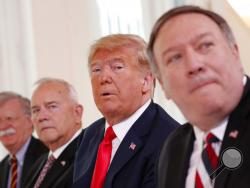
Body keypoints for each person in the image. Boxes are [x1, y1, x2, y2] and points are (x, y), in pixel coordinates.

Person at [147, 5, 250, 188]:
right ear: (162, 84)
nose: (194, 64)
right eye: (175, 57)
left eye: (205, 45)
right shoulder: (172, 148)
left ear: (235, 53)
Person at [73, 34, 179, 188]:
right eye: (97, 70)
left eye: (117, 67)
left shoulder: (170, 140)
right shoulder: (88, 136)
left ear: (146, 81)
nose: (104, 78)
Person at [25, 78, 83, 188]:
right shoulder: (38, 165)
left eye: (52, 106)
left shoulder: (91, 156)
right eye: (36, 110)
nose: (42, 117)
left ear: (77, 113)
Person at [0, 91, 48, 188]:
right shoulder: (2, 167)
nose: (3, 126)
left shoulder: (47, 157)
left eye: (9, 118)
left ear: (29, 121)